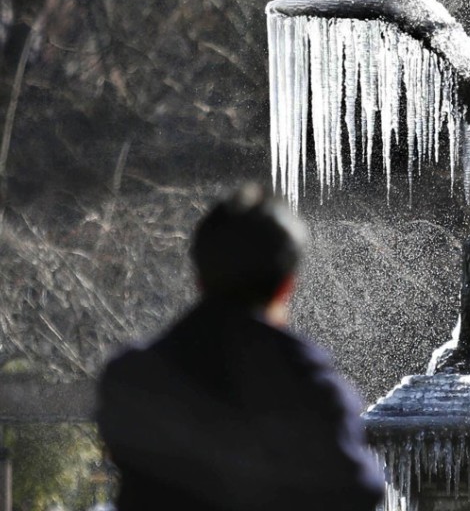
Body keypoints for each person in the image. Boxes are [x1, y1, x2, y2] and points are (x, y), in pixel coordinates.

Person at [96, 184, 385, 511]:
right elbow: (356, 492)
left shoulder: (130, 379)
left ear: (200, 277)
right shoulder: (313, 390)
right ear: (286, 287)